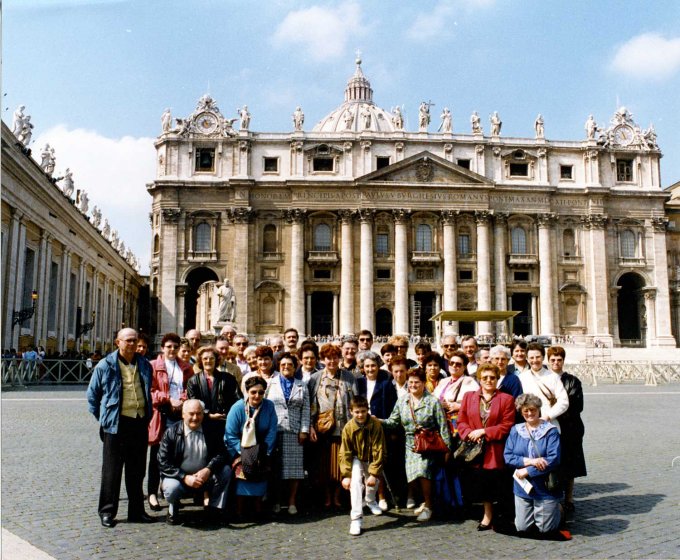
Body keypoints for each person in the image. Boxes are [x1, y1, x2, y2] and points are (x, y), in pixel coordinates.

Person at [86, 328, 154, 527]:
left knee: (137, 470)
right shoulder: (105, 365)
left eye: (135, 340)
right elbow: (92, 396)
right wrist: (105, 418)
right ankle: (107, 511)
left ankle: (136, 511)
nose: (132, 344)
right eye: (128, 341)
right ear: (118, 342)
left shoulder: (144, 364)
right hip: (116, 425)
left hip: (139, 422)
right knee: (112, 470)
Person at [382, 369, 452, 522]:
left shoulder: (432, 401)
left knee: (423, 472)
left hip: (428, 444)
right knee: (413, 477)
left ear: (423, 384)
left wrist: (447, 448)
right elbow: (393, 421)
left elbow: (443, 426)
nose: (413, 385)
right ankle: (426, 501)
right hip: (410, 445)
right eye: (411, 382)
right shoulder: (403, 401)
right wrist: (376, 421)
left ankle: (429, 507)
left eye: (417, 382)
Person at [457, 363, 515, 531]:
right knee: (481, 484)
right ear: (479, 380)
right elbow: (461, 421)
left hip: (495, 450)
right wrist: (469, 433)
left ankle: (502, 515)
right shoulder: (469, 397)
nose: (489, 380)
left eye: (492, 377)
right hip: (474, 449)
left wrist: (483, 431)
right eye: (485, 378)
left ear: (498, 379)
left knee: (497, 483)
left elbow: (507, 425)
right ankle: (487, 514)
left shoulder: (506, 399)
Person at [504, 394, 570, 540]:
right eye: (525, 410)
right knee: (522, 528)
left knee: (545, 529)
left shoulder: (550, 431)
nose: (529, 413)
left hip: (545, 486)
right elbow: (508, 456)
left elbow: (553, 459)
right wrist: (531, 461)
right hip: (523, 486)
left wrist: (527, 470)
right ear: (521, 411)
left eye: (533, 410)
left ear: (539, 410)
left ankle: (558, 509)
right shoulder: (516, 430)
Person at [158, 399, 232, 525]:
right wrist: (184, 477)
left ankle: (214, 509)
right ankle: (173, 508)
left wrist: (208, 469)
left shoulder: (212, 430)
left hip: (204, 477)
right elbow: (163, 461)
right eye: (191, 414)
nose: (195, 418)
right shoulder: (171, 432)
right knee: (171, 488)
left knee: (226, 471)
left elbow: (222, 454)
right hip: (179, 478)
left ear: (203, 414)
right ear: (183, 414)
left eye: (199, 413)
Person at [147, 333, 194, 512]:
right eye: (169, 347)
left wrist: (182, 399)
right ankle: (151, 492)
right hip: (162, 413)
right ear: (162, 348)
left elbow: (189, 389)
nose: (172, 350)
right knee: (157, 454)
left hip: (179, 414)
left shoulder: (186, 367)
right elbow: (150, 392)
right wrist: (168, 398)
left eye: (175, 347)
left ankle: (168, 489)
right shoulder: (153, 366)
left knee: (176, 455)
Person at [308, 343, 357, 508]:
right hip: (322, 428)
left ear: (340, 358)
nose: (332, 361)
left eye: (335, 357)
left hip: (343, 428)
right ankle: (327, 497)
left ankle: (337, 496)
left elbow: (356, 402)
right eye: (328, 358)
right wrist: (310, 426)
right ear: (323, 360)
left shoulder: (349, 377)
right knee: (324, 466)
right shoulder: (315, 378)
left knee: (340, 465)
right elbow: (309, 405)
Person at [266, 353, 310, 515]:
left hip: (294, 431)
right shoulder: (271, 383)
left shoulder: (301, 385)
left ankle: (291, 501)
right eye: (283, 364)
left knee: (294, 470)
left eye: (289, 364)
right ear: (278, 366)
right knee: (276, 469)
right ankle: (277, 501)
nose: (286, 367)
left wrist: (304, 430)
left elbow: (306, 409)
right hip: (274, 431)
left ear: (295, 367)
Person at [355, 350, 397, 510]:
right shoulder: (358, 383)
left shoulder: (385, 383)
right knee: (363, 463)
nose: (370, 369)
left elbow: (392, 407)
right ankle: (367, 497)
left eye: (373, 366)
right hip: (361, 428)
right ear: (362, 368)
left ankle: (381, 497)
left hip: (379, 427)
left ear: (378, 367)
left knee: (377, 462)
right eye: (367, 366)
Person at [339, 395, 387, 535]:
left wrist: (373, 473)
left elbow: (379, 449)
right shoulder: (348, 427)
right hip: (356, 458)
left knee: (373, 481)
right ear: (351, 412)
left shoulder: (376, 425)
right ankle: (356, 518)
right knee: (355, 484)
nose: (360, 415)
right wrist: (346, 475)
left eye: (363, 411)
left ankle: (371, 500)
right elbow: (345, 452)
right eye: (357, 412)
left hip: (372, 457)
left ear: (367, 410)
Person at [547, 346, 587, 512]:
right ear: (548, 361)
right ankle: (552, 497)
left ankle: (569, 498)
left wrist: (554, 411)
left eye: (559, 360)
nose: (556, 363)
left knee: (570, 464)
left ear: (563, 361)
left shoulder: (573, 380)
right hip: (549, 427)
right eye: (553, 360)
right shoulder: (543, 379)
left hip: (570, 427)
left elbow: (576, 405)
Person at [186, 345, 240, 455]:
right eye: (205, 358)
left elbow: (238, 399)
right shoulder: (193, 381)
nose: (208, 361)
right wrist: (208, 415)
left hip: (226, 423)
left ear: (217, 360)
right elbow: (193, 402)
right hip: (203, 424)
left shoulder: (228, 378)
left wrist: (230, 415)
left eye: (211, 358)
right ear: (200, 360)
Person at [520, 343, 569, 430]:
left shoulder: (553, 377)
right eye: (531, 358)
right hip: (528, 425)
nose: (535, 360)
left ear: (543, 357)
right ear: (527, 359)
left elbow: (564, 401)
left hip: (549, 423)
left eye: (538, 357)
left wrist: (547, 416)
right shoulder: (521, 378)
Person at [433, 350, 479, 440]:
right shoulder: (443, 381)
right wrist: (439, 404)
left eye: (458, 364)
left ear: (464, 367)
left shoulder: (469, 382)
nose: (454, 366)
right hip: (440, 423)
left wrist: (459, 406)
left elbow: (476, 403)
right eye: (451, 363)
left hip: (456, 425)